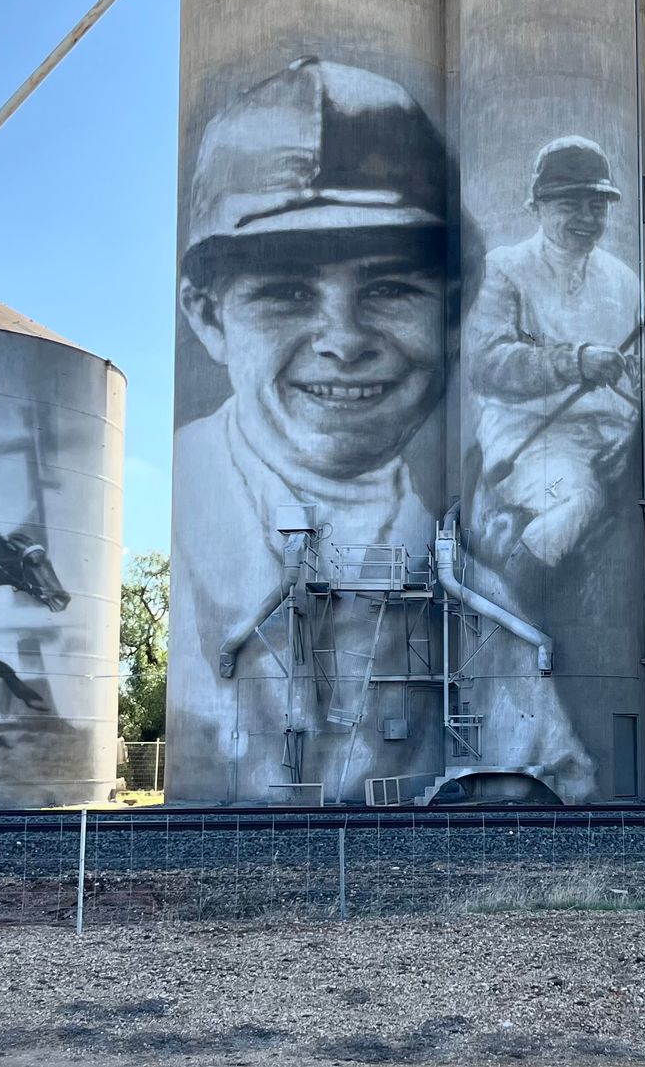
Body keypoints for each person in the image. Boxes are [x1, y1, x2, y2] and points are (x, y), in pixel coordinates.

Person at [172, 57, 453, 801]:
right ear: (208, 315)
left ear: (449, 310)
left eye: (390, 286)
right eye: (286, 291)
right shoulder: (190, 518)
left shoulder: (466, 556)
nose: (344, 338)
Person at [465, 136, 644, 576]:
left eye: (597, 206)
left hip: (615, 438)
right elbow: (488, 364)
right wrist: (575, 361)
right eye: (570, 205)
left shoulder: (623, 280)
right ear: (537, 206)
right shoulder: (504, 269)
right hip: (532, 436)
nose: (587, 218)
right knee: (579, 500)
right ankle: (513, 602)